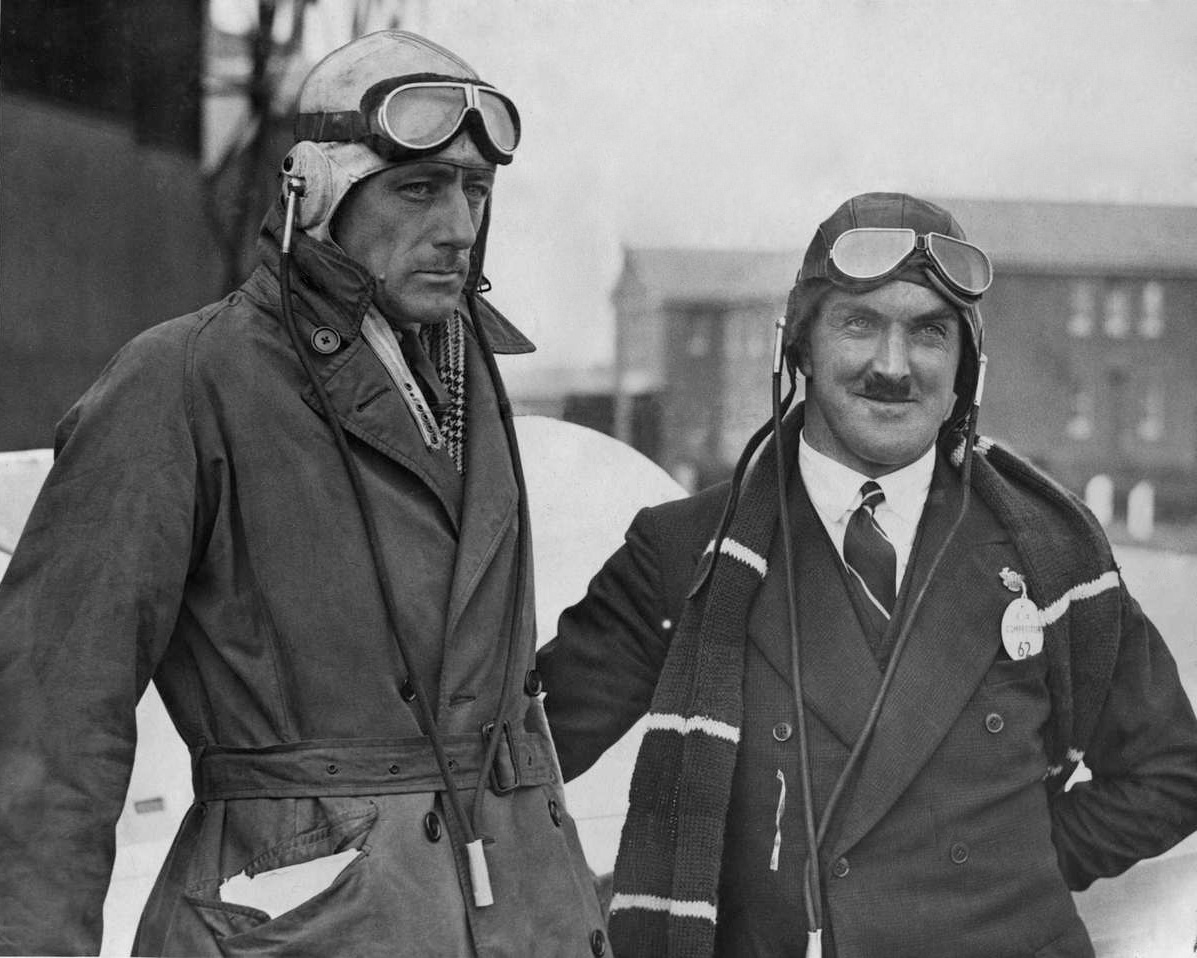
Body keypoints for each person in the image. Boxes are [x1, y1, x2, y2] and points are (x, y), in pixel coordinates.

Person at [0, 31, 608, 957]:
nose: (457, 225)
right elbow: (52, 720)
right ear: (314, 191)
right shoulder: (184, 380)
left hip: (518, 915)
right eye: (418, 187)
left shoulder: (465, 375)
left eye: (475, 190)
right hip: (306, 920)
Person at [537, 192, 1197, 958]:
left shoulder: (1051, 551)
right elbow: (518, 765)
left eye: (928, 331)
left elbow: (1170, 767)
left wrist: (1019, 864)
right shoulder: (684, 553)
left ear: (964, 367)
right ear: (800, 350)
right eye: (859, 323)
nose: (892, 366)